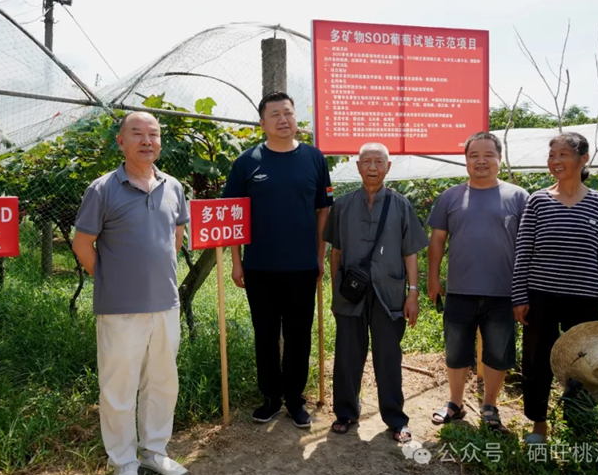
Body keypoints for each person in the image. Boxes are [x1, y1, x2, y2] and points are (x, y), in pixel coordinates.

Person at [72, 111, 190, 475]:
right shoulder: (103, 188)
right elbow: (81, 244)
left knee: (162, 381)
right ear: (120, 142)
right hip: (120, 307)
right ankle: (123, 462)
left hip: (166, 305)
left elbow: (177, 236)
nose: (146, 140)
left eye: (153, 134)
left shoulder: (174, 186)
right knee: (118, 386)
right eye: (136, 134)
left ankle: (155, 451)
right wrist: (110, 279)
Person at [222, 91, 333, 428]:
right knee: (266, 334)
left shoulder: (314, 159)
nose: (283, 120)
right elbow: (233, 216)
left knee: (299, 335)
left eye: (288, 113)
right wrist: (236, 262)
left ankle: (295, 400)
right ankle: (270, 398)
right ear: (262, 123)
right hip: (259, 268)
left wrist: (319, 256)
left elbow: (323, 209)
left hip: (302, 267)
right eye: (275, 114)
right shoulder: (247, 162)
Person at [511, 132, 598, 444]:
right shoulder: (538, 201)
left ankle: (577, 422)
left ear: (583, 159)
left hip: (584, 298)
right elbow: (524, 251)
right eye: (551, 155)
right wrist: (519, 295)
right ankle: (538, 424)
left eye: (563, 155)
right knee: (536, 360)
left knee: (582, 364)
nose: (555, 161)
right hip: (540, 297)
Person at [323, 143, 429, 442]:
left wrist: (413, 293)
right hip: (351, 295)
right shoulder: (342, 205)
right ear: (357, 166)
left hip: (390, 292)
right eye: (366, 161)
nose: (372, 167)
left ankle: (395, 419)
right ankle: (345, 412)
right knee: (346, 356)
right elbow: (336, 252)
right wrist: (336, 293)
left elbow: (410, 253)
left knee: (388, 356)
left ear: (388, 167)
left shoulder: (401, 205)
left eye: (378, 161)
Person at [426, 132, 529, 432]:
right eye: (474, 155)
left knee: (498, 353)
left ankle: (490, 406)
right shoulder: (451, 196)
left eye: (488, 155)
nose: (481, 161)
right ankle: (455, 403)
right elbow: (437, 242)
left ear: (500, 158)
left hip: (503, 293)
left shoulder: (519, 196)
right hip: (460, 290)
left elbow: (528, 247)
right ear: (466, 159)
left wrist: (524, 290)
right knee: (456, 350)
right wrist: (433, 279)